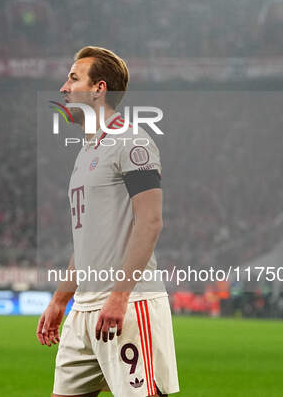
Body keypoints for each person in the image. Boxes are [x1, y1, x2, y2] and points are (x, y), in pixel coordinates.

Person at [36, 46, 179, 397]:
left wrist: (119, 296)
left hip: (129, 306)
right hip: (84, 307)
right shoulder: (87, 150)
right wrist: (60, 299)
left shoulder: (132, 142)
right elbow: (87, 241)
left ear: (99, 89)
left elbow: (150, 222)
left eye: (73, 78)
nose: (63, 88)